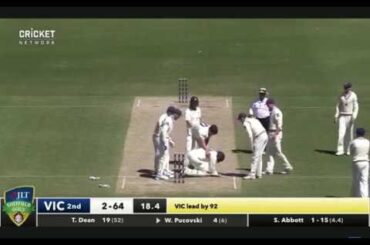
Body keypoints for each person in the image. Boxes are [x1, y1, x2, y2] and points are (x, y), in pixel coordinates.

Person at [264, 99, 293, 175]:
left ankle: (288, 166)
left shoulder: (277, 112)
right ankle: (269, 169)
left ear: (271, 104)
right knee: (269, 152)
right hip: (271, 133)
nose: (267, 107)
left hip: (275, 133)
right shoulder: (272, 111)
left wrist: (275, 134)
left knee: (278, 152)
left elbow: (279, 126)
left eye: (268, 105)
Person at [154, 106, 182, 180]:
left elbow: (166, 133)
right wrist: (164, 142)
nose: (177, 118)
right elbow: (163, 131)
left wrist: (170, 141)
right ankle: (159, 174)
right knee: (163, 157)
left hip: (165, 140)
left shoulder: (170, 119)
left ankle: (164, 171)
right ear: (175, 114)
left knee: (166, 156)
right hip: (163, 140)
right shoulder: (168, 120)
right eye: (178, 116)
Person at [237, 112, 268, 180]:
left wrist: (251, 146)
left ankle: (252, 174)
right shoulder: (253, 119)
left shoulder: (246, 123)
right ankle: (259, 174)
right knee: (259, 156)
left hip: (259, 137)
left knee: (255, 157)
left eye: (240, 120)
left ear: (242, 118)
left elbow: (250, 135)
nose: (240, 121)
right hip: (265, 135)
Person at [334, 82, 359, 156]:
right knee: (341, 134)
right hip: (342, 116)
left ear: (350, 88)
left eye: (347, 88)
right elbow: (338, 106)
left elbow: (356, 106)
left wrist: (354, 116)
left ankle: (348, 150)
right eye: (344, 88)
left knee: (349, 134)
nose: (345, 89)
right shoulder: (341, 95)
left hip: (350, 116)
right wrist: (336, 116)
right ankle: (340, 150)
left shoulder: (353, 95)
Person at [349, 128, 369, 197]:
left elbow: (351, 152)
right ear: (364, 134)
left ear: (357, 134)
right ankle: (365, 197)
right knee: (364, 180)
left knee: (356, 180)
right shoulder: (367, 142)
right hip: (366, 162)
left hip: (356, 161)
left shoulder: (354, 142)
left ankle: (356, 196)